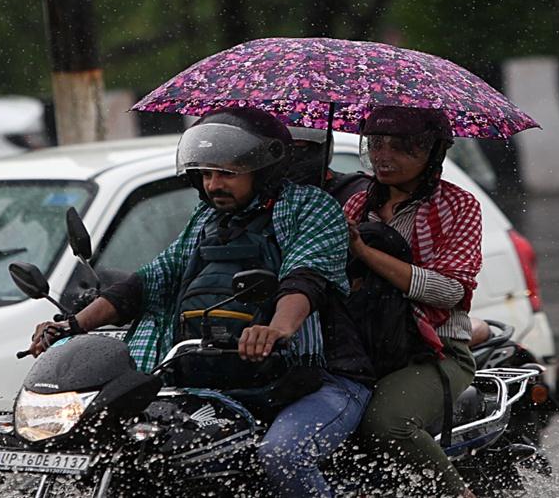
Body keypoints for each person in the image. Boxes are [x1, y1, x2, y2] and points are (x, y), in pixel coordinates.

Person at [29, 106, 371, 498]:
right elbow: (151, 279)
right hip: (216, 378)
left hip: (317, 378)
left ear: (263, 170)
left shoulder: (313, 208)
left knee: (282, 455)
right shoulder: (208, 219)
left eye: (227, 173)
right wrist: (72, 325)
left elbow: (305, 279)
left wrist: (276, 329)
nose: (213, 185)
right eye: (206, 174)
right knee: (140, 452)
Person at [343, 105, 483, 497]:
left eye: (401, 146)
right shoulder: (356, 206)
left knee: (387, 423)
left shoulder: (458, 206)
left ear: (433, 152)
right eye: (377, 144)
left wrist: (366, 253)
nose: (384, 156)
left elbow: (450, 290)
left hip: (433, 349)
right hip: (363, 345)